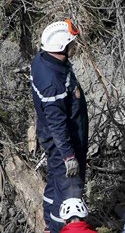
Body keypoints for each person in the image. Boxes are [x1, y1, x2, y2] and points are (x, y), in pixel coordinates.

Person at [31, 20, 88, 233]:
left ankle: (48, 223)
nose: (74, 47)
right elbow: (57, 124)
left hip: (54, 138)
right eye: (71, 43)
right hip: (64, 142)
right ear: (61, 47)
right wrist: (68, 157)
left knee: (56, 179)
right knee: (69, 191)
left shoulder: (43, 60)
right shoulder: (52, 82)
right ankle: (56, 228)